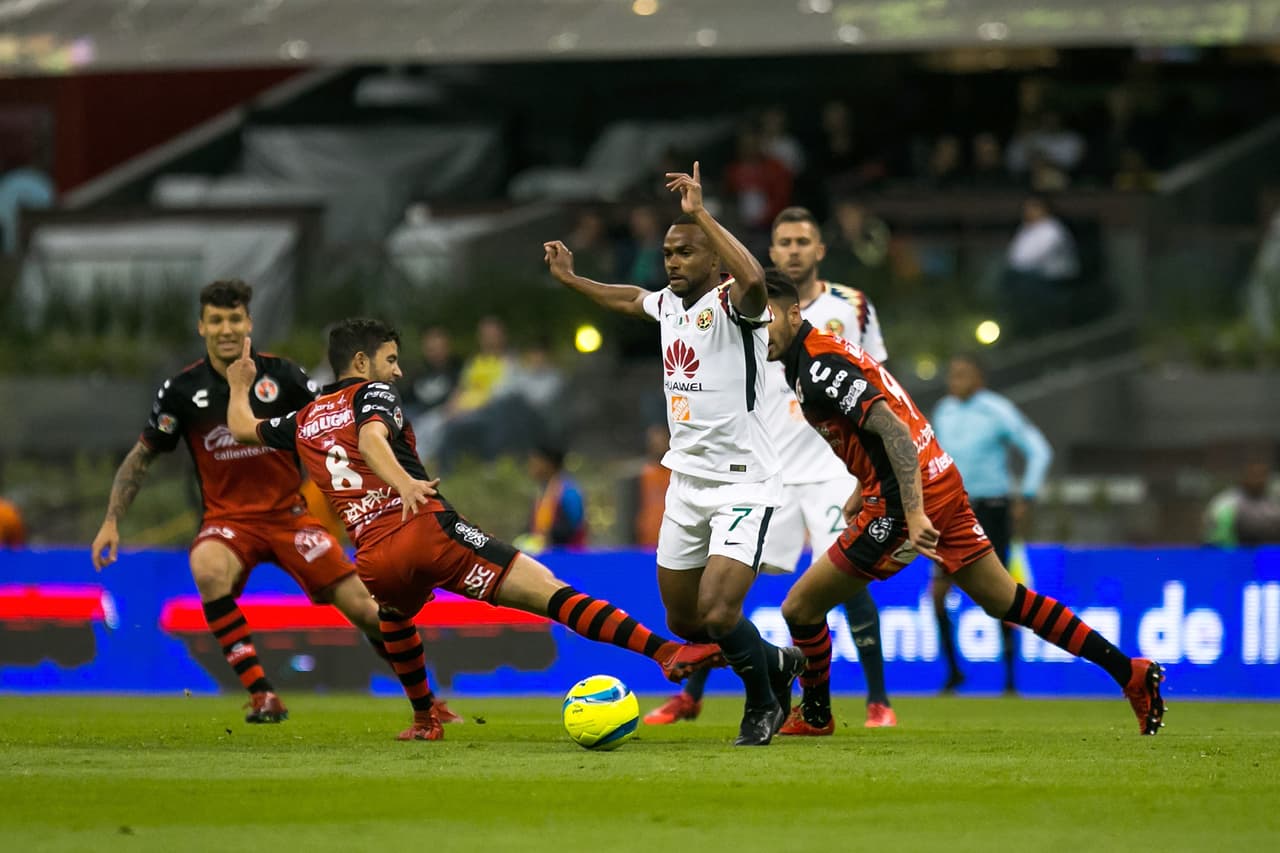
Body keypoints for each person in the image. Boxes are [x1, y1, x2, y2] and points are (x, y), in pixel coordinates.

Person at [226, 320, 725, 740]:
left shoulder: (306, 417)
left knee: (395, 616)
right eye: (391, 359)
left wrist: (237, 383)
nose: (398, 371)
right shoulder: (373, 393)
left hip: (373, 557)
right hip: (422, 528)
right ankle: (667, 652)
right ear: (361, 362)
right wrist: (404, 484)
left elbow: (243, 429)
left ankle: (425, 716)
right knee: (551, 593)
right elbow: (372, 437)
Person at [762, 274, 1166, 736]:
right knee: (1006, 599)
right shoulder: (814, 354)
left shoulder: (818, 367)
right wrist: (862, 482)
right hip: (940, 481)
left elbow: (893, 430)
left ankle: (816, 715)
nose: (759, 327)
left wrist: (912, 512)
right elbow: (885, 419)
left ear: (795, 313)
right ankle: (1130, 673)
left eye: (767, 316)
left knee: (800, 608)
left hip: (905, 501)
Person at [89, 280, 458, 733]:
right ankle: (262, 693)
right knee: (207, 567)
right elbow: (143, 454)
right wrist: (110, 520)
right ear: (201, 326)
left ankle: (427, 701)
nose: (226, 328)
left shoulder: (283, 376)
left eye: (235, 319)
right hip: (228, 521)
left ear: (249, 323)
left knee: (367, 608)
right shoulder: (182, 390)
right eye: (217, 320)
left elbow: (336, 415)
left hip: (289, 517)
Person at [544, 161, 805, 747]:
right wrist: (572, 280)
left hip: (744, 483)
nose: (673, 263)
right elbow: (628, 297)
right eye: (668, 254)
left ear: (712, 260)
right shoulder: (667, 306)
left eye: (685, 253)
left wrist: (700, 215)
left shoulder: (737, 308)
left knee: (718, 614)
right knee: (685, 623)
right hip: (687, 484)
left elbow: (757, 280)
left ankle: (763, 703)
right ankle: (779, 663)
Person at [644, 206, 897, 730]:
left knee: (844, 580)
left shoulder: (850, 304)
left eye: (804, 240)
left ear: (820, 249)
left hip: (828, 465)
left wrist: (866, 469)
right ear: (774, 250)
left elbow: (876, 382)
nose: (794, 249)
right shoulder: (746, 303)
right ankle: (695, 695)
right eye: (784, 241)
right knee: (719, 595)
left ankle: (877, 701)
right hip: (767, 459)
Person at [931, 354, 1053, 694]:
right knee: (938, 593)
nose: (955, 380)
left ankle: (1010, 679)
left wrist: (1025, 496)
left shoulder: (996, 409)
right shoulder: (944, 411)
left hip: (991, 509)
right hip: (951, 509)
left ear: (979, 378)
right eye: (952, 374)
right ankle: (954, 672)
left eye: (963, 374)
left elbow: (1039, 450)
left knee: (1000, 593)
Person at [519, 444, 587, 552]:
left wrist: (549, 536)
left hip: (568, 557)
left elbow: (574, 528)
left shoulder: (568, 491)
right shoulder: (542, 491)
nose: (531, 467)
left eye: (535, 462)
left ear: (549, 464)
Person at [1203, 460, 1280, 547]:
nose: (1257, 480)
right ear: (1244, 477)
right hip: (1236, 552)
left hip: (1272, 553)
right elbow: (1214, 534)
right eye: (1253, 475)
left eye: (1261, 476)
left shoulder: (1275, 500)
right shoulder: (1227, 502)